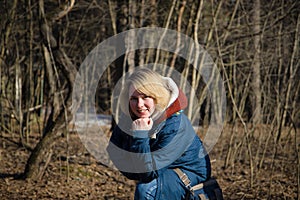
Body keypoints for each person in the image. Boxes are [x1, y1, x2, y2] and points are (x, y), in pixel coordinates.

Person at [107, 68, 223, 200]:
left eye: (145, 96)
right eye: (134, 98)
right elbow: (115, 151)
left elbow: (147, 174)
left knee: (148, 189)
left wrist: (140, 135)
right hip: (156, 168)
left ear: (157, 96)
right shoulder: (131, 116)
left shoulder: (175, 124)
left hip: (187, 170)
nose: (139, 105)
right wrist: (137, 169)